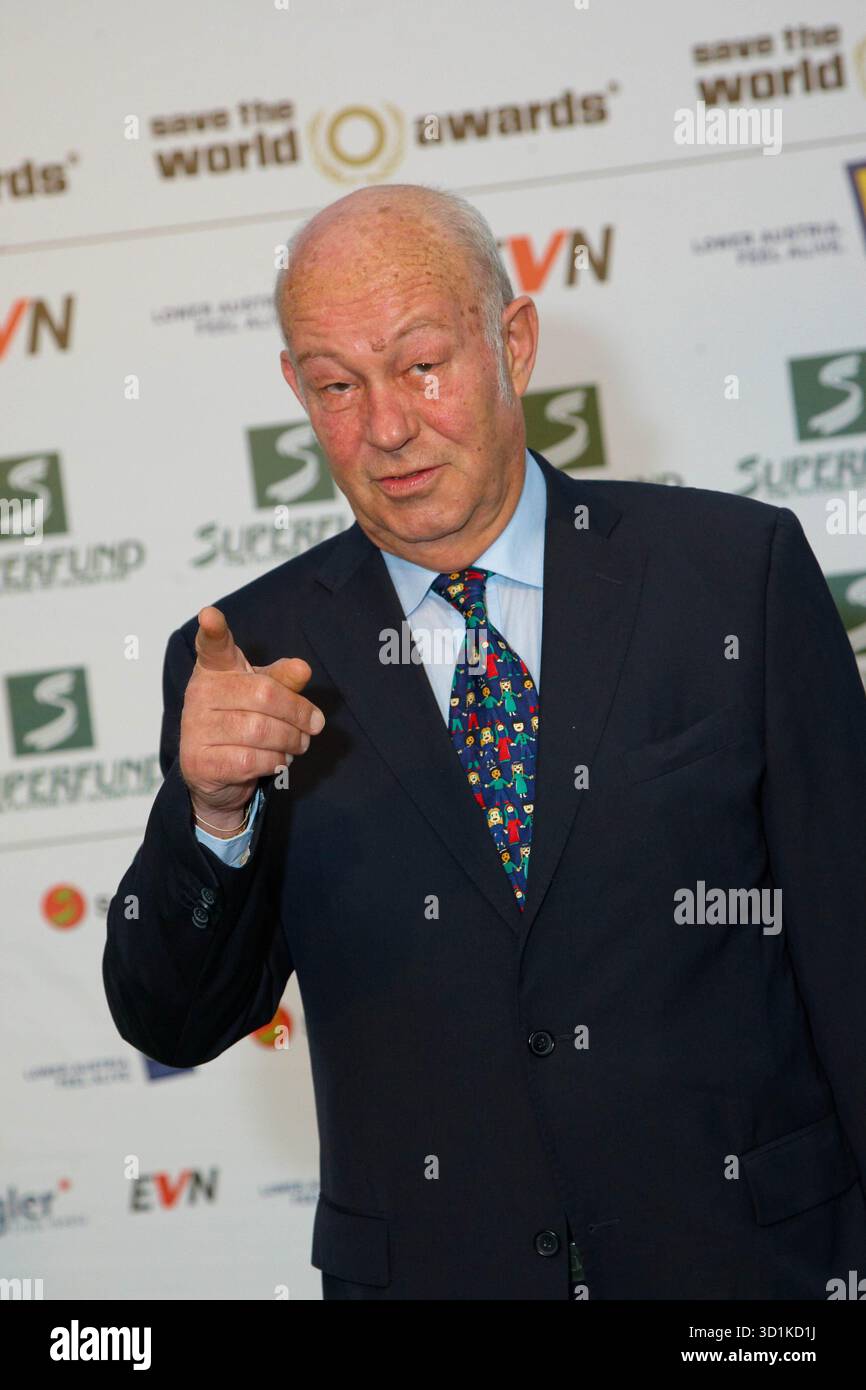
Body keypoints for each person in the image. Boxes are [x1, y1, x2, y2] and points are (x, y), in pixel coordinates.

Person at [103, 182, 866, 1301]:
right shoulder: (248, 657)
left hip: (752, 1273)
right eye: (335, 386)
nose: (387, 426)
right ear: (294, 392)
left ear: (511, 342)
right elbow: (172, 1014)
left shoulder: (730, 574)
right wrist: (211, 814)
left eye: (420, 365)